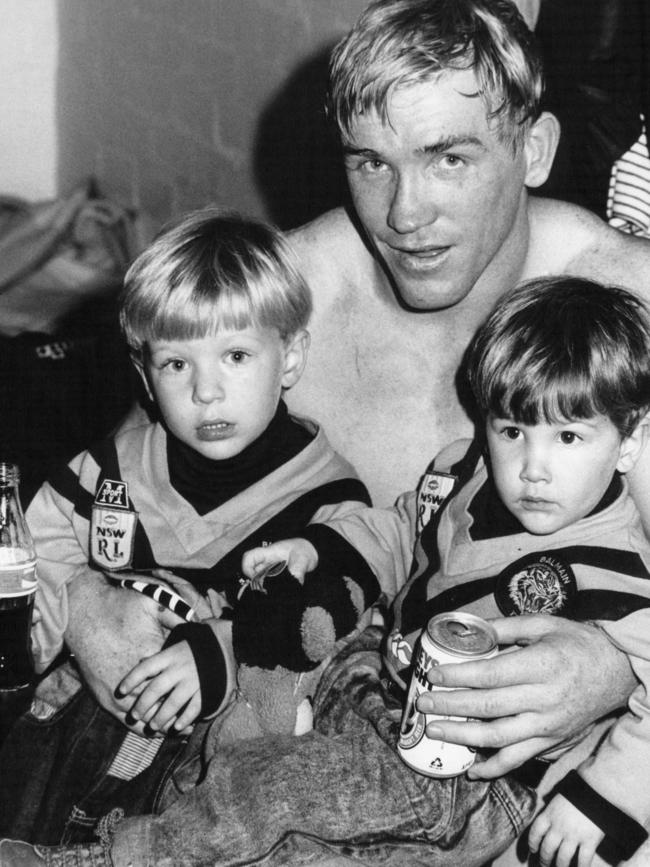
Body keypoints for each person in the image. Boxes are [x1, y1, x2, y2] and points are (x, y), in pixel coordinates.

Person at [5, 0, 650, 864]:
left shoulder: (621, 310)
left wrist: (614, 666)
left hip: (540, 772)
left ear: (533, 151)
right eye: (371, 164)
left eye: (448, 157)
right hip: (306, 708)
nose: (405, 213)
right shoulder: (293, 291)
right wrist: (82, 594)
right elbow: (119, 481)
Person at [0, 209, 379, 846]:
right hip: (72, 744)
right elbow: (33, 556)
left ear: (289, 358)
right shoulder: (106, 472)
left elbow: (338, 620)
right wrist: (69, 608)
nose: (206, 391)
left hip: (209, 777)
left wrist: (230, 644)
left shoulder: (329, 501)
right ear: (144, 372)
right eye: (176, 364)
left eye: (235, 355)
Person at [244, 277, 650, 867]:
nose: (532, 468)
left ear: (627, 443)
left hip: (469, 777)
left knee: (280, 813)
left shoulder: (616, 569)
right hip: (378, 683)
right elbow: (407, 528)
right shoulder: (461, 471)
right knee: (248, 763)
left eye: (568, 436)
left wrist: (605, 798)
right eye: (512, 430)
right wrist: (320, 548)